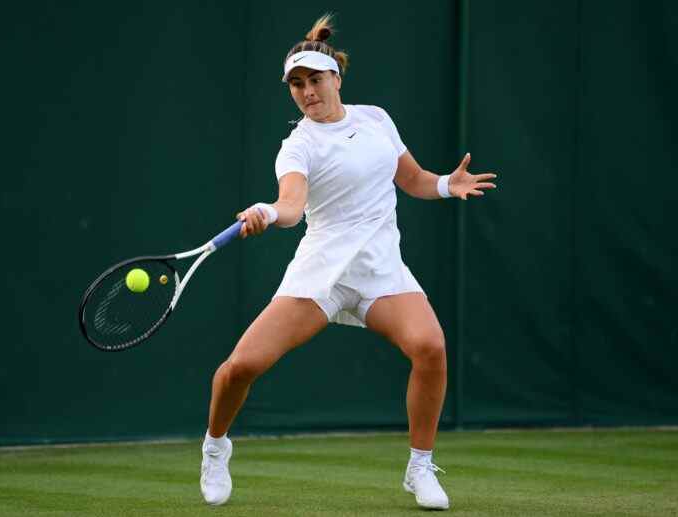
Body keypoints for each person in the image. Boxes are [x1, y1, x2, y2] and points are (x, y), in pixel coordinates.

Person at [199, 14, 496, 510]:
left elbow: (414, 179)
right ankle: (214, 447)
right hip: (323, 274)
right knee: (240, 367)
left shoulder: (376, 119)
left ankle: (420, 468)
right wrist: (268, 212)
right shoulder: (297, 146)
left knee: (430, 347)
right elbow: (292, 206)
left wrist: (447, 184)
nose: (306, 91)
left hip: (381, 270)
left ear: (335, 77)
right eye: (296, 84)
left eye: (314, 80)